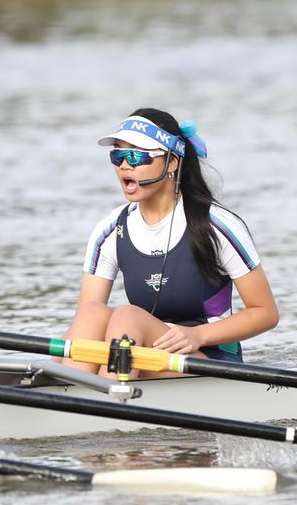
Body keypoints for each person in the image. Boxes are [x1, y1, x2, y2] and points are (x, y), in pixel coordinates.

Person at [64, 109, 279, 376]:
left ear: (172, 163)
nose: (124, 166)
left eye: (137, 155)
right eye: (117, 156)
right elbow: (85, 328)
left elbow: (265, 313)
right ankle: (66, 392)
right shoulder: (109, 231)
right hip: (139, 349)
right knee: (92, 313)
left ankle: (90, 401)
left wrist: (197, 335)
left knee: (127, 316)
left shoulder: (216, 225)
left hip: (207, 358)